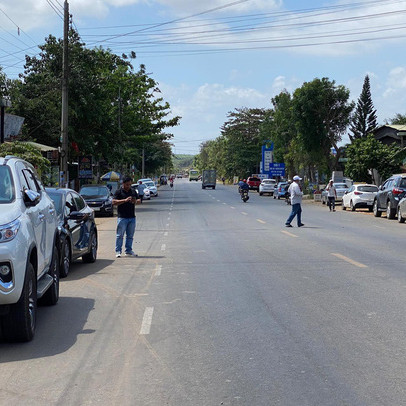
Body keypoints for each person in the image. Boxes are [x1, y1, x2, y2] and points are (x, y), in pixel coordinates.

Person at [112, 176, 140, 257]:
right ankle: (118, 251)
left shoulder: (133, 191)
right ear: (123, 184)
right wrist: (124, 200)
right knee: (120, 235)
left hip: (132, 217)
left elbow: (139, 201)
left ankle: (128, 250)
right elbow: (113, 202)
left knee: (130, 236)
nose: (128, 186)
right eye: (127, 184)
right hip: (122, 217)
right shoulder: (118, 192)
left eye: (130, 185)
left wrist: (135, 201)